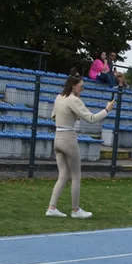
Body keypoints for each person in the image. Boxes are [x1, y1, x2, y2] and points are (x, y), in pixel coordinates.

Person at [46, 74, 113, 219]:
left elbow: (53, 116)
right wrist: (107, 110)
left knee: (63, 176)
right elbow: (91, 118)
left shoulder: (59, 97)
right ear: (73, 86)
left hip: (57, 138)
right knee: (76, 176)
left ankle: (52, 208)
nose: (82, 88)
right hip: (68, 139)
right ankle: (75, 210)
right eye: (81, 86)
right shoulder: (74, 100)